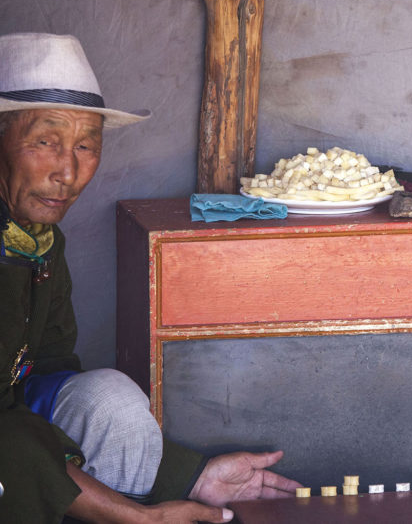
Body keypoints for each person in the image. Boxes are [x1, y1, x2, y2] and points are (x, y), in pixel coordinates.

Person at [0, 33, 303, 523]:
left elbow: (45, 374)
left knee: (111, 401)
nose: (69, 172)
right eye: (44, 142)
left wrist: (190, 478)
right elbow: (9, 438)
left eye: (85, 146)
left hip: (15, 441)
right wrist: (141, 517)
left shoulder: (37, 239)